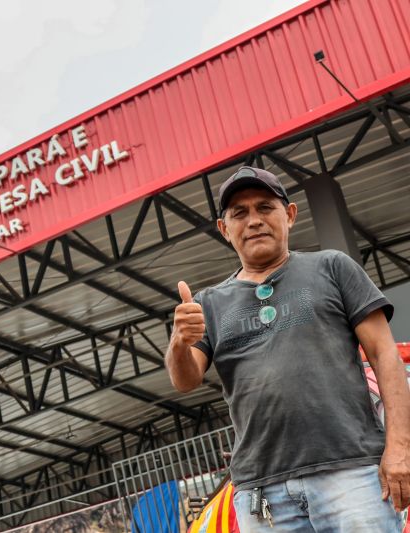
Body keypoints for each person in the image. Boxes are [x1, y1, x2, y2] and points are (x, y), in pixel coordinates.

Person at [165, 166, 410, 532]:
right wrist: (179, 342)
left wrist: (400, 448)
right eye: (240, 213)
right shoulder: (208, 304)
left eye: (265, 207)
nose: (254, 221)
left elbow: (385, 355)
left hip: (351, 473)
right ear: (224, 229)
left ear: (289, 215)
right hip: (261, 490)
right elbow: (185, 380)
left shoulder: (332, 268)